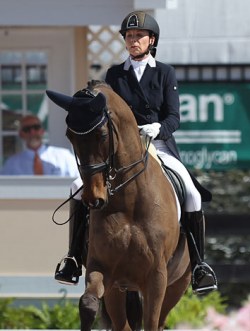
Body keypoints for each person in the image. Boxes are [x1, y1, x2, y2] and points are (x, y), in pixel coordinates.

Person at [54, 10, 217, 295]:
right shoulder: (114, 75)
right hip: (121, 149)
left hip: (158, 144)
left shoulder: (165, 72)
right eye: (129, 36)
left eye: (138, 36)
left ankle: (200, 264)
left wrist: (159, 129)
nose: (133, 41)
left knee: (191, 192)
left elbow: (174, 117)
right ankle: (73, 258)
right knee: (77, 186)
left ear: (151, 40)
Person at [0, 114, 79, 176]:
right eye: (27, 129)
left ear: (42, 131)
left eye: (36, 127)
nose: (32, 132)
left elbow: (79, 182)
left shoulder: (64, 156)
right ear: (21, 134)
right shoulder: (12, 163)